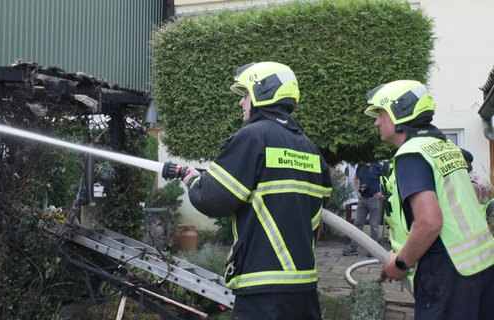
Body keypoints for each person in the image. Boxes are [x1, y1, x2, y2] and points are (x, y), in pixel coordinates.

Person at [180, 62, 332, 320]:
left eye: (245, 94)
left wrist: (192, 180)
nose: (241, 102)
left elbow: (214, 198)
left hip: (263, 287)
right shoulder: (309, 148)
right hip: (303, 285)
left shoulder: (253, 137)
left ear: (263, 92)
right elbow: (316, 208)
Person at [364, 80, 494, 319]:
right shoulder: (445, 147)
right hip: (482, 269)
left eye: (381, 114)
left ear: (399, 111)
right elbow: (468, 194)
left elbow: (429, 221)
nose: (376, 122)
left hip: (446, 275)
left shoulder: (411, 155)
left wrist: (400, 263)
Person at [343, 159, 384, 256]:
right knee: (357, 224)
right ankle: (353, 248)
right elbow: (356, 178)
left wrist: (382, 192)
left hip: (374, 199)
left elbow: (387, 181)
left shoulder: (379, 167)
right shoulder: (360, 166)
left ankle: (372, 251)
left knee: (374, 226)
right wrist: (357, 192)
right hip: (362, 200)